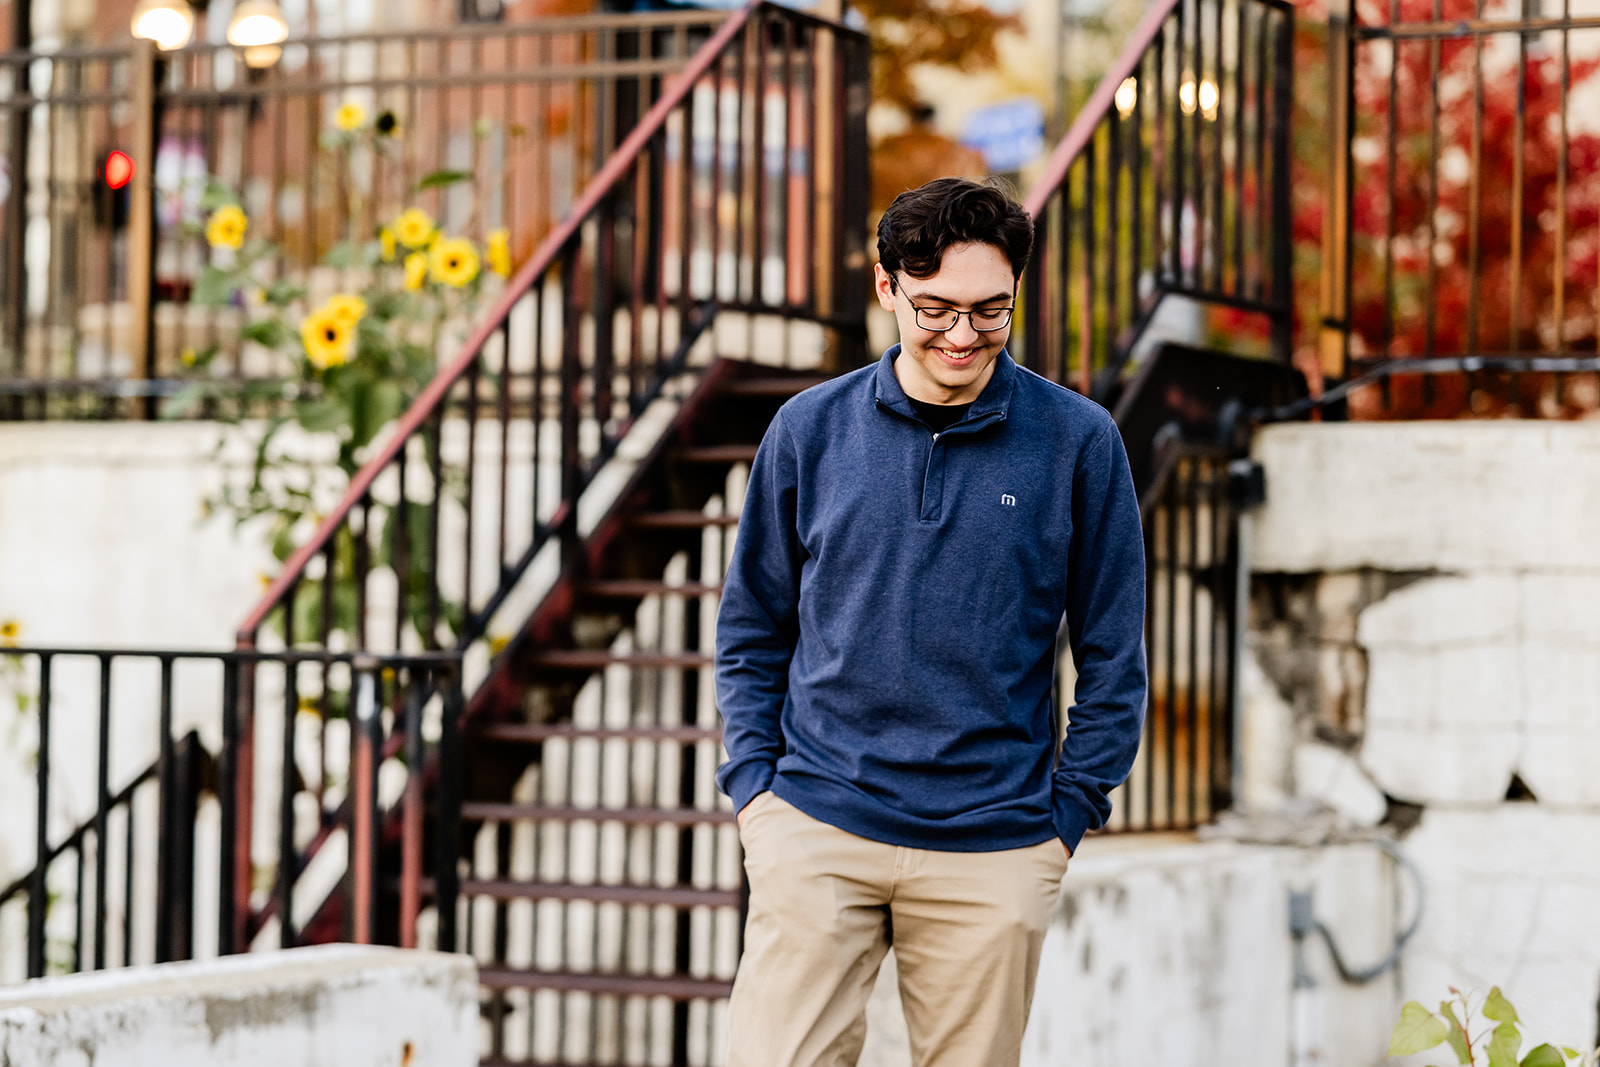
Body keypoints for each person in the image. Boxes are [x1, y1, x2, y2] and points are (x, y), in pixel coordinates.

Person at [714, 176, 1148, 1067]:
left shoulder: (1079, 440)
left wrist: (1067, 816)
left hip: (997, 846)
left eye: (991, 311)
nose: (962, 335)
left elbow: (1114, 654)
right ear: (886, 288)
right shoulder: (808, 429)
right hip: (817, 821)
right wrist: (758, 791)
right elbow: (753, 625)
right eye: (936, 308)